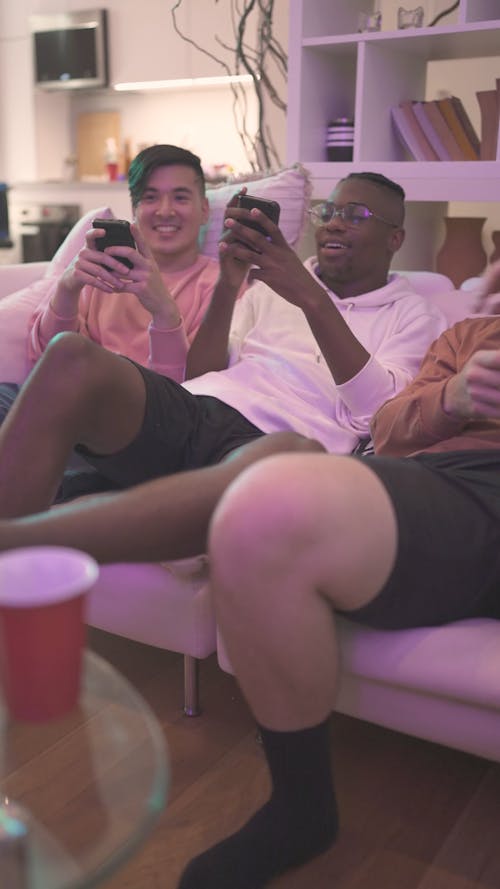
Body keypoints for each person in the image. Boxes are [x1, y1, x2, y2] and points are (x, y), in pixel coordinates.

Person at [174, 289, 500, 887]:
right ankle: (301, 808)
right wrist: (453, 399)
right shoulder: (471, 335)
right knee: (269, 507)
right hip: (452, 482)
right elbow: (389, 430)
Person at [0, 171, 445, 522]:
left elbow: (377, 416)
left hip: (272, 446)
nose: (333, 222)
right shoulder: (266, 289)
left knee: (72, 486)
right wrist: (231, 281)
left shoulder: (415, 315)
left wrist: (311, 298)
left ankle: (64, 511)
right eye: (328, 211)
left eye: (357, 215)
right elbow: (200, 374)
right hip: (196, 413)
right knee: (70, 355)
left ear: (395, 239)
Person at [0, 143, 219, 499]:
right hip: (69, 418)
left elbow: (185, 403)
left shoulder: (223, 288)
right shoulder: (107, 273)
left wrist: (163, 311)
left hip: (139, 438)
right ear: (134, 210)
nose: (165, 211)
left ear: (204, 208)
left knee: (67, 483)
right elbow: (44, 362)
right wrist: (68, 289)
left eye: (180, 197)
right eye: (150, 198)